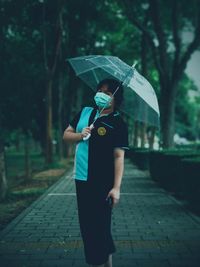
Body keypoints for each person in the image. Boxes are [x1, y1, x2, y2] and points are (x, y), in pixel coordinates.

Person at [63, 78, 129, 267]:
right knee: (88, 226)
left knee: (98, 227)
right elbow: (66, 135)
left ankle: (97, 262)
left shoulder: (118, 123)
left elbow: (119, 157)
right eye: (100, 90)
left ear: (116, 99)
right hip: (82, 179)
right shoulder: (85, 113)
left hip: (104, 183)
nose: (101, 95)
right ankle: (105, 263)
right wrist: (80, 135)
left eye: (107, 93)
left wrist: (116, 188)